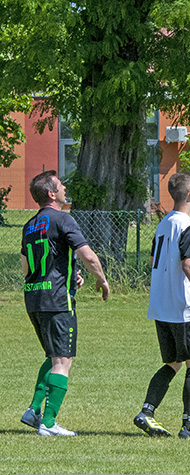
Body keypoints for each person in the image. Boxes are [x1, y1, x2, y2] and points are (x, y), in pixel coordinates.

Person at [134, 172, 190, 440]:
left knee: (173, 362)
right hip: (185, 309)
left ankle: (146, 413)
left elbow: (158, 261)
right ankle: (189, 427)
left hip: (162, 307)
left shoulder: (163, 224)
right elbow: (187, 263)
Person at [20, 170, 110, 437]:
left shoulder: (30, 224)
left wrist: (71, 276)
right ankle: (48, 423)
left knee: (53, 356)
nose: (64, 188)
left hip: (34, 297)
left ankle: (34, 410)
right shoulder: (63, 218)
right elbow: (88, 256)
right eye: (60, 185)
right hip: (57, 301)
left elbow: (27, 267)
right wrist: (101, 279)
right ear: (51, 194)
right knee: (63, 360)